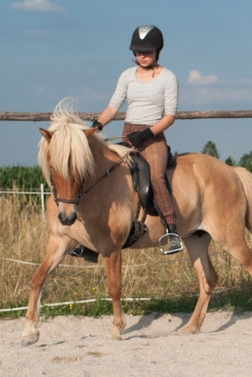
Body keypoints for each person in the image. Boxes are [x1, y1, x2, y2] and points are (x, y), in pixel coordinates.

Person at [92, 24, 183, 255]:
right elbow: (113, 107)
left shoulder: (168, 77)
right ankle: (92, 238)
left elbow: (170, 115)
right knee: (105, 174)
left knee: (156, 177)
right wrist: (96, 126)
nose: (142, 56)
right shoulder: (126, 76)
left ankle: (171, 230)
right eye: (138, 52)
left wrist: (148, 133)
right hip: (128, 136)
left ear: (157, 52)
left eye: (148, 52)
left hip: (153, 138)